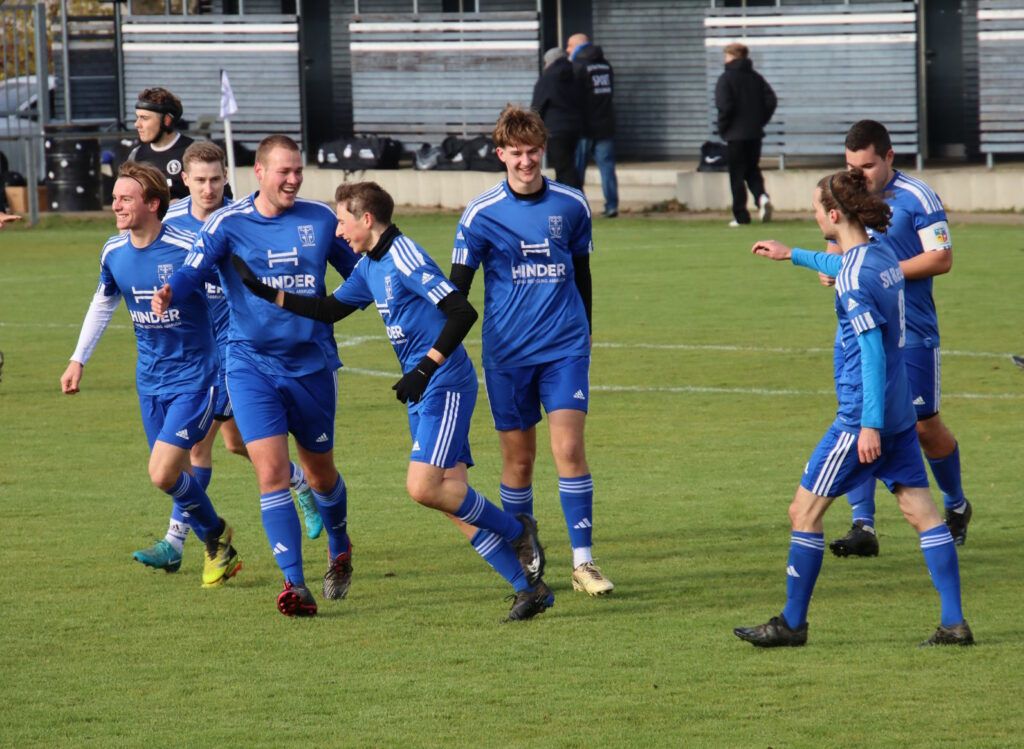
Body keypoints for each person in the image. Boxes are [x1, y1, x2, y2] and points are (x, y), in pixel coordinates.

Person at [233, 181, 552, 621]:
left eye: (342, 221)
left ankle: (517, 530)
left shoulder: (405, 256)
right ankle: (529, 589)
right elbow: (330, 309)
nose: (337, 231)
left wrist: (425, 368)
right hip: (422, 390)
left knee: (424, 487)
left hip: (444, 383)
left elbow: (462, 311)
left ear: (366, 219)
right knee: (450, 499)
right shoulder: (369, 266)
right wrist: (269, 294)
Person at [734, 169, 972, 648]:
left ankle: (792, 624)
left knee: (803, 511)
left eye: (815, 209)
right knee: (923, 513)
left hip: (862, 416)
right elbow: (844, 261)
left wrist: (868, 425)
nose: (813, 215)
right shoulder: (882, 253)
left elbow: (871, 351)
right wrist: (792, 255)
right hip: (900, 411)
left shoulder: (852, 279)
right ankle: (954, 623)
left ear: (833, 213)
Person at [152, 135, 359, 617]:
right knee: (271, 473)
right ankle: (294, 584)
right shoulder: (228, 222)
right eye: (284, 171)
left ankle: (340, 543)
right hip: (250, 366)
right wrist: (170, 291)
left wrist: (340, 306)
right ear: (259, 173)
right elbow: (191, 271)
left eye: (298, 171)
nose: (293, 180)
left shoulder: (319, 219)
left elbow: (360, 270)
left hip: (311, 366)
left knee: (320, 474)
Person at [132, 141, 323, 575]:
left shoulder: (239, 221)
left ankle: (182, 542)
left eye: (216, 179)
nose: (209, 188)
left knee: (202, 448)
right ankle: (297, 483)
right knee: (230, 444)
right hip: (199, 352)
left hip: (238, 349)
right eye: (200, 180)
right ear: (185, 180)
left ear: (227, 177)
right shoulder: (172, 223)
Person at [450, 105, 614, 597]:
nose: (526, 161)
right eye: (516, 153)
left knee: (569, 450)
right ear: (500, 154)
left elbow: (583, 273)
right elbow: (457, 290)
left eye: (533, 152)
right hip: (507, 354)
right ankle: (524, 551)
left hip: (564, 348)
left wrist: (586, 331)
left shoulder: (572, 204)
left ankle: (583, 563)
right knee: (519, 462)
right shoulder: (480, 214)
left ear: (544, 150)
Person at [60, 161, 242, 588]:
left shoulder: (189, 246)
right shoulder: (113, 251)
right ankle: (210, 541)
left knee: (162, 472)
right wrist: (77, 359)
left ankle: (212, 536)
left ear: (154, 204)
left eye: (126, 198)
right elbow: (103, 302)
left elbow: (231, 296)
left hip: (197, 377)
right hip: (150, 380)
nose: (116, 205)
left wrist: (237, 357)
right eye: (115, 198)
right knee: (175, 474)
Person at [828, 120, 972, 557]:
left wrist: (880, 272)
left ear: (889, 157)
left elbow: (941, 258)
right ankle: (862, 525)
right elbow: (837, 246)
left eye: (867, 166)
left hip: (914, 332)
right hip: (861, 329)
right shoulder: (846, 194)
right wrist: (831, 265)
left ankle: (956, 504)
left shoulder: (918, 197)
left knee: (925, 427)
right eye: (851, 166)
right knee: (860, 418)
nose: (858, 175)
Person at [714, 42, 776, 227]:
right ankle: (762, 197)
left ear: (732, 56)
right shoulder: (756, 78)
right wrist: (760, 120)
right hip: (754, 133)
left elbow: (724, 106)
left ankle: (741, 215)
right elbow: (770, 100)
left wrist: (723, 127)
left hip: (735, 135)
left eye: (726, 55)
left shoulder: (726, 78)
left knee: (737, 175)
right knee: (752, 169)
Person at [566, 33, 618, 218]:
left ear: (579, 46)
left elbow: (574, 98)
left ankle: (579, 207)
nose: (567, 50)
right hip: (605, 125)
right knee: (607, 168)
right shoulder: (606, 65)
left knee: (578, 170)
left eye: (570, 46)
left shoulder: (578, 66)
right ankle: (612, 206)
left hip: (584, 129)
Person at [128, 87, 194, 201]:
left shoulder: (193, 152)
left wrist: (181, 205)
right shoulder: (136, 155)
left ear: (166, 120)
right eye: (137, 117)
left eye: (144, 118)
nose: (137, 124)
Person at [531, 47, 583, 189]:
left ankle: (574, 198)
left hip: (555, 129)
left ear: (549, 61)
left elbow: (537, 106)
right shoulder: (576, 75)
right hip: (575, 128)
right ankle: (567, 196)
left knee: (563, 168)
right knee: (568, 165)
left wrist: (534, 130)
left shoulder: (548, 78)